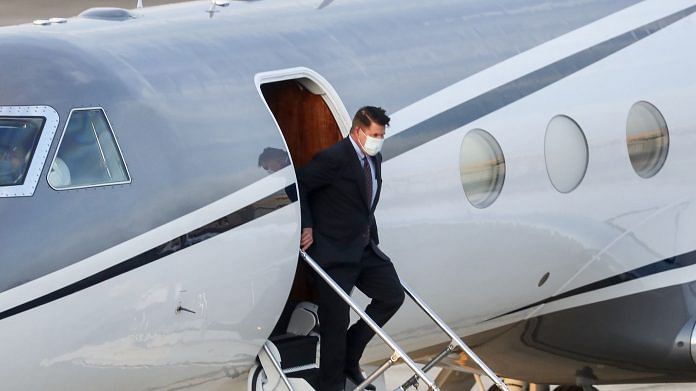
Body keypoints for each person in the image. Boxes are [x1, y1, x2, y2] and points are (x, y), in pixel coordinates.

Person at [298, 106, 405, 391]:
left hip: (365, 249)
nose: (379, 139)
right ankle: (330, 385)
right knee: (335, 323)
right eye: (374, 134)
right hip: (333, 253)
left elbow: (363, 203)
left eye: (382, 135)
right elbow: (299, 187)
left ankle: (351, 353)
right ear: (358, 131)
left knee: (392, 296)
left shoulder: (375, 158)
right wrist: (306, 226)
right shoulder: (334, 158)